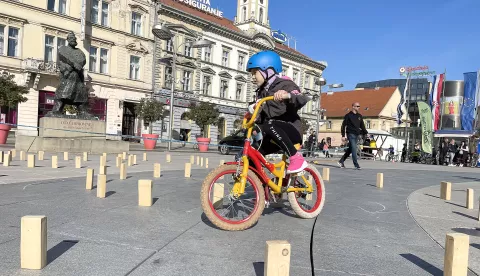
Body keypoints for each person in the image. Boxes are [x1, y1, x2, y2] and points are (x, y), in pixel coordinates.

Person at [246, 50, 310, 174]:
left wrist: (287, 95)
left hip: (291, 131)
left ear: (268, 71)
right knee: (253, 153)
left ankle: (296, 158)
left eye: (255, 73)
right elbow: (262, 116)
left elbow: (301, 98)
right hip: (273, 135)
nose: (253, 77)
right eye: (251, 74)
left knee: (271, 124)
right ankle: (261, 187)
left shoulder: (285, 84)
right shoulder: (261, 92)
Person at [337, 102, 368, 169]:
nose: (358, 107)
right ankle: (356, 164)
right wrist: (343, 135)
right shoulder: (348, 115)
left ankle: (341, 161)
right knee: (354, 148)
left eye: (359, 106)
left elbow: (362, 126)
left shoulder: (359, 116)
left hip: (357, 135)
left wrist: (366, 133)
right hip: (350, 134)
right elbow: (343, 126)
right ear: (353, 107)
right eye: (357, 106)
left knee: (351, 149)